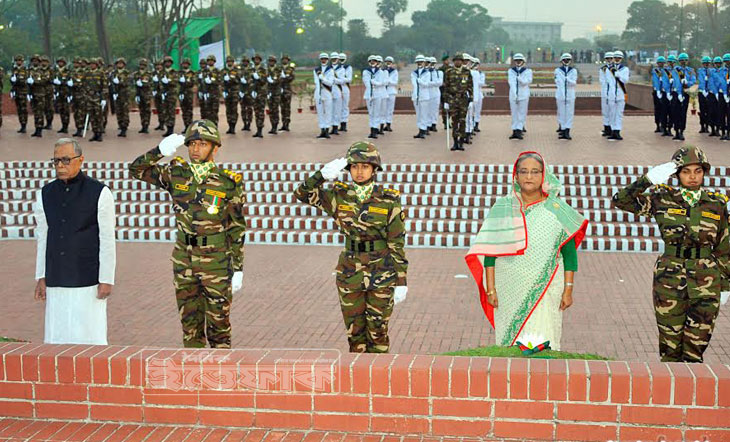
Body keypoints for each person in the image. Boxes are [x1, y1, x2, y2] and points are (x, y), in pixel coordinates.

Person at [128, 120, 246, 348]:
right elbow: (136, 170)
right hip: (184, 259)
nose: (195, 149)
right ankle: (194, 378)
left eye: (202, 144)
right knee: (190, 325)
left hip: (216, 262)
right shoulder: (176, 174)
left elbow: (236, 227)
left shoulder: (227, 182)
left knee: (219, 326)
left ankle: (220, 378)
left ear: (215, 148)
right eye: (192, 144)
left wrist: (238, 267)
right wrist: (159, 152)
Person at [612, 146, 729, 363]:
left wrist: (726, 286)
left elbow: (724, 247)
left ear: (704, 172)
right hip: (669, 279)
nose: (692, 177)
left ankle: (690, 393)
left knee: (696, 347)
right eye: (686, 171)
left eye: (698, 171)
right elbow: (621, 200)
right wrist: (646, 181)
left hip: (706, 280)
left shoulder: (717, 203)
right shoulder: (661, 198)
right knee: (670, 347)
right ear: (676, 174)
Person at [465, 151, 588, 350]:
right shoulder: (504, 207)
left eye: (534, 172)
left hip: (546, 288)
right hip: (508, 289)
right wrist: (491, 288)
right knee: (512, 347)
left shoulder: (557, 209)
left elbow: (569, 254)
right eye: (523, 172)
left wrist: (568, 289)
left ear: (543, 176)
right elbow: (490, 252)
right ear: (516, 176)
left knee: (542, 344)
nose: (529, 177)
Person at [293, 141, 408, 353]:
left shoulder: (388, 200)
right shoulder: (339, 195)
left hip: (381, 271)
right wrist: (321, 175)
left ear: (374, 169)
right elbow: (301, 194)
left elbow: (397, 242)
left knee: (378, 330)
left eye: (365, 166)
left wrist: (401, 280)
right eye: (354, 166)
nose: (359, 171)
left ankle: (379, 379)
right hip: (350, 271)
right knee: (354, 332)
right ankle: (358, 379)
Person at [34, 138, 116, 345]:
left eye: (65, 160)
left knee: (89, 336)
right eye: (56, 161)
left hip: (87, 277)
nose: (60, 166)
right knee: (57, 335)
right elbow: (43, 236)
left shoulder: (99, 192)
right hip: (56, 275)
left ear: (80, 160)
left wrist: (107, 278)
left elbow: (107, 238)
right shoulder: (45, 194)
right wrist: (41, 275)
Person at [443, 53, 472, 151]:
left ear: (462, 61)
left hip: (463, 99)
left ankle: (461, 142)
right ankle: (455, 142)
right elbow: (446, 87)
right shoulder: (449, 72)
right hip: (453, 99)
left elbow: (470, 86)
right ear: (453, 61)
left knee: (462, 121)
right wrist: (446, 101)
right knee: (454, 121)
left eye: (460, 60)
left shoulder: (467, 72)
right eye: (456, 60)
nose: (458, 62)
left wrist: (471, 99)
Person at [669, 53, 696, 141]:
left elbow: (693, 80)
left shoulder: (690, 70)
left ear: (687, 61)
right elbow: (676, 81)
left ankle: (681, 131)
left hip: (685, 92)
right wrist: (679, 93)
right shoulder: (675, 70)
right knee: (675, 112)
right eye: (681, 60)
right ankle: (676, 131)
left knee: (683, 113)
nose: (683, 62)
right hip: (677, 93)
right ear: (679, 61)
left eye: (685, 60)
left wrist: (687, 83)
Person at [605, 50, 630, 141]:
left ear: (621, 59)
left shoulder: (625, 69)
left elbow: (626, 80)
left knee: (619, 114)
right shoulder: (609, 69)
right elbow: (608, 82)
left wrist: (618, 75)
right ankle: (612, 131)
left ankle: (617, 131)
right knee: (612, 113)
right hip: (612, 94)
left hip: (621, 94)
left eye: (619, 58)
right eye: (615, 58)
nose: (617, 59)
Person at [507, 53, 532, 140]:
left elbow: (528, 81)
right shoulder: (511, 71)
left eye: (520, 60)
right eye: (516, 60)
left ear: (523, 61)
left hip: (524, 94)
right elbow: (511, 82)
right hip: (513, 95)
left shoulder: (528, 71)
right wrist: (515, 94)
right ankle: (514, 130)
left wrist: (520, 79)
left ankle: (519, 130)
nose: (518, 62)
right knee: (514, 113)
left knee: (522, 113)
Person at [83, 58, 107, 142]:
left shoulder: (101, 73)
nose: (92, 65)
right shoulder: (87, 73)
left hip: (97, 97)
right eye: (91, 64)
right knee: (92, 116)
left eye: (93, 64)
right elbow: (84, 84)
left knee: (98, 116)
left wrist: (103, 98)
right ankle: (95, 133)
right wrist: (85, 95)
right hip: (89, 97)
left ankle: (99, 133)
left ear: (96, 65)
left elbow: (104, 86)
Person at [555, 53, 577, 140]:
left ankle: (567, 130)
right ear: (562, 61)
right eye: (565, 60)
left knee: (569, 113)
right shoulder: (557, 70)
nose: (566, 61)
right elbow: (558, 82)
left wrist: (567, 79)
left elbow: (573, 83)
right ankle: (563, 130)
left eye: (568, 60)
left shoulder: (573, 71)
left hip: (570, 94)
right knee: (562, 113)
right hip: (560, 94)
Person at [314, 52, 334, 139]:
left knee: (328, 112)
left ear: (327, 60)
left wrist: (323, 78)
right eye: (322, 59)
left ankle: (327, 130)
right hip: (318, 93)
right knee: (320, 112)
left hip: (327, 92)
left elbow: (330, 83)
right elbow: (316, 82)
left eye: (325, 59)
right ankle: (322, 129)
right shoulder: (316, 70)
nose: (323, 60)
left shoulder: (330, 70)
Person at [411, 54, 431, 139]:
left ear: (424, 63)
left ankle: (423, 130)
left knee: (424, 114)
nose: (419, 63)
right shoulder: (413, 73)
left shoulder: (427, 73)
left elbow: (426, 84)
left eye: (421, 62)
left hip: (424, 96)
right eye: (418, 62)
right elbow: (414, 84)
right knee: (418, 114)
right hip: (416, 96)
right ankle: (420, 130)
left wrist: (420, 81)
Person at [28, 54, 48, 137]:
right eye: (33, 61)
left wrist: (35, 82)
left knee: (40, 112)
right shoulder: (29, 70)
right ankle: (36, 129)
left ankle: (39, 129)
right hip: (33, 93)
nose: (34, 62)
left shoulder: (43, 71)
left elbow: (45, 80)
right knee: (35, 111)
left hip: (40, 93)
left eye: (36, 61)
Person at [10, 55, 30, 134]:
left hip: (23, 91)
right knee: (19, 109)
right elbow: (12, 80)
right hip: (17, 92)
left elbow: (24, 81)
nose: (18, 62)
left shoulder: (25, 69)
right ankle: (21, 125)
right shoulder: (14, 69)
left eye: (20, 60)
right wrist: (12, 80)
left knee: (23, 109)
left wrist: (17, 80)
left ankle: (24, 125)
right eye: (17, 61)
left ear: (22, 61)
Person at [221, 55, 242, 134]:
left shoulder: (236, 70)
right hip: (227, 93)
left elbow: (238, 80)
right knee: (228, 110)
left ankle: (233, 126)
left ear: (233, 62)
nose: (229, 63)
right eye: (228, 61)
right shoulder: (223, 70)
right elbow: (221, 81)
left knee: (234, 109)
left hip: (234, 92)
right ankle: (229, 125)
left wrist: (231, 78)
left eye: (231, 62)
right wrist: (223, 91)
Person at [111, 57, 130, 137]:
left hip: (124, 95)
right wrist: (113, 92)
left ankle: (124, 128)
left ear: (124, 65)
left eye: (121, 63)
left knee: (124, 111)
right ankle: (120, 125)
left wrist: (120, 82)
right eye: (118, 63)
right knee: (118, 111)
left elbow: (127, 82)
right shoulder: (114, 73)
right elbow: (111, 83)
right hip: (117, 95)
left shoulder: (126, 73)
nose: (120, 65)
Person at [651, 56, 670, 135]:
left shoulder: (666, 71)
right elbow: (655, 81)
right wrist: (658, 91)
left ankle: (663, 125)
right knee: (657, 109)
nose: (661, 64)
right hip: (657, 91)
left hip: (664, 91)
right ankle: (657, 125)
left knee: (664, 109)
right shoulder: (655, 70)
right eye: (659, 62)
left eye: (662, 62)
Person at [250, 54, 268, 138]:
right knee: (256, 111)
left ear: (260, 60)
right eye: (255, 59)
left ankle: (260, 130)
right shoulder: (252, 69)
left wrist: (258, 78)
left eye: (257, 59)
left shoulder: (263, 70)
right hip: (254, 93)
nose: (256, 61)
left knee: (260, 111)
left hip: (261, 93)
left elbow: (264, 81)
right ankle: (257, 129)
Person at [52, 57, 72, 134]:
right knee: (61, 110)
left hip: (66, 93)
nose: (60, 63)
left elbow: (69, 82)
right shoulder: (55, 71)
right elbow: (52, 79)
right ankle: (63, 126)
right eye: (59, 62)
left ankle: (66, 126)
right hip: (58, 93)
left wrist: (62, 82)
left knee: (66, 110)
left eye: (61, 62)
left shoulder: (68, 71)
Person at [133, 58, 152, 134]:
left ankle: (146, 126)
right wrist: (136, 94)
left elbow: (151, 84)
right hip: (139, 94)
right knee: (141, 110)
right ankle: (143, 125)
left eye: (143, 65)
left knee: (147, 111)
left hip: (146, 94)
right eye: (141, 65)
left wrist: (143, 84)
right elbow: (134, 85)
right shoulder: (136, 74)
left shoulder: (149, 74)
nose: (142, 66)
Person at [178, 58, 196, 132]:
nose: (185, 65)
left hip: (189, 94)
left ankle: (190, 126)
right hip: (182, 93)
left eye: (186, 64)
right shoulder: (179, 73)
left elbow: (193, 82)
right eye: (184, 64)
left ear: (189, 65)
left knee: (189, 111)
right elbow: (176, 82)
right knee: (184, 111)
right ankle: (186, 126)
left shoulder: (192, 73)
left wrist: (185, 82)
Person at [697, 56, 714, 134]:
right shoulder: (700, 71)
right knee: (702, 110)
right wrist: (703, 90)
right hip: (702, 92)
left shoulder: (712, 71)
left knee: (709, 110)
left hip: (709, 93)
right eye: (705, 63)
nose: (706, 64)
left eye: (707, 63)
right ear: (702, 64)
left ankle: (708, 126)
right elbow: (701, 80)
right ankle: (702, 126)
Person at [279, 55, 296, 132]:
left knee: (287, 108)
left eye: (286, 59)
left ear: (288, 60)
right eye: (283, 59)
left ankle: (287, 124)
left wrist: (284, 78)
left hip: (287, 91)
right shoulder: (279, 68)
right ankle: (283, 124)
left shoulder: (290, 69)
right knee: (282, 108)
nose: (284, 60)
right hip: (280, 90)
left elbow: (291, 78)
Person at [266, 54, 282, 134]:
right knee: (271, 110)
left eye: (272, 61)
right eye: (270, 61)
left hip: (276, 92)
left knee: (275, 110)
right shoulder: (266, 69)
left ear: (275, 62)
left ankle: (275, 126)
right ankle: (272, 126)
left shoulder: (278, 69)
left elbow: (279, 79)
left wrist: (273, 81)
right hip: (269, 92)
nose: (271, 62)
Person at [599, 52, 613, 137]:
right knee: (605, 111)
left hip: (612, 91)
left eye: (610, 58)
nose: (609, 60)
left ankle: (612, 128)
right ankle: (606, 128)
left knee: (612, 111)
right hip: (605, 91)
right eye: (607, 58)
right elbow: (602, 80)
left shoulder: (615, 68)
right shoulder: (603, 68)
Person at [330, 52, 343, 135]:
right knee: (330, 110)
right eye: (333, 58)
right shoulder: (327, 68)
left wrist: (334, 79)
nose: (334, 60)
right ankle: (331, 126)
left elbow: (342, 80)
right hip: (329, 90)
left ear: (338, 59)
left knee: (337, 110)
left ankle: (335, 127)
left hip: (337, 90)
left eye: (335, 58)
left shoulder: (341, 69)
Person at [384, 56, 398, 132]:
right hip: (384, 91)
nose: (388, 63)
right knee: (383, 109)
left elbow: (395, 82)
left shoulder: (394, 71)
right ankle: (382, 124)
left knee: (390, 109)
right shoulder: (382, 70)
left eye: (390, 62)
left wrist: (388, 81)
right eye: (387, 61)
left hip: (391, 91)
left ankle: (388, 124)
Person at [339, 52, 352, 132]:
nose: (341, 60)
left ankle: (344, 124)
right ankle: (337, 124)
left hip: (345, 87)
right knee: (337, 107)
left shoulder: (348, 67)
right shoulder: (334, 67)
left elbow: (349, 79)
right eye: (340, 59)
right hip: (337, 88)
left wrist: (340, 79)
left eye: (342, 59)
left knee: (345, 106)